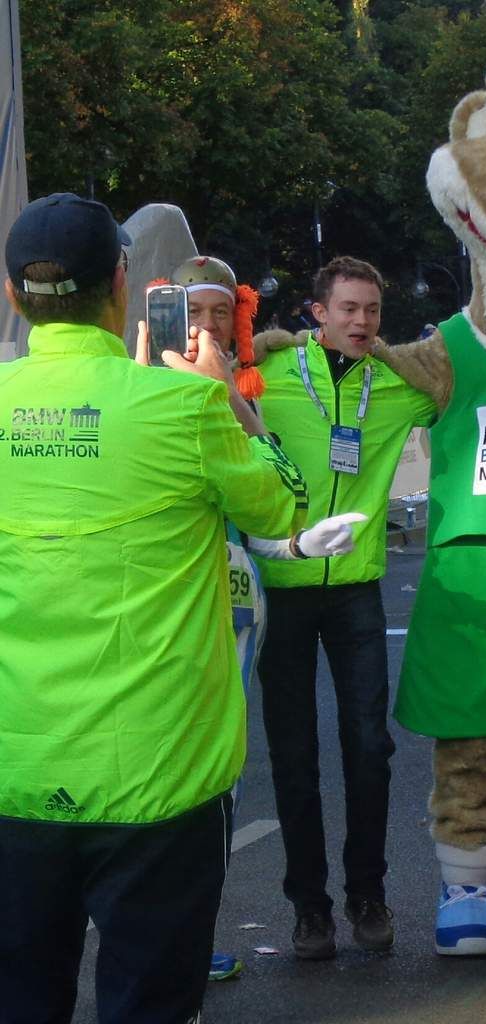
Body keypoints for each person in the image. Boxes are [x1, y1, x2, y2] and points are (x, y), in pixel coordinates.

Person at [0, 192, 307, 1022]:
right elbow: (285, 509)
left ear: (11, 294)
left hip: (16, 772)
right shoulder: (188, 408)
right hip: (159, 775)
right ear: (124, 286)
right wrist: (232, 401)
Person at [155, 254, 364, 982]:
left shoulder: (249, 389)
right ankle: (159, 939)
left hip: (229, 611)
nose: (207, 327)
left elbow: (271, 504)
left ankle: (192, 934)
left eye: (221, 314)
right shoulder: (141, 390)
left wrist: (295, 544)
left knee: (217, 779)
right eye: (193, 312)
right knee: (159, 778)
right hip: (153, 618)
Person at [253, 255, 437, 959]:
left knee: (370, 749)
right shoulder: (265, 378)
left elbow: (460, 390)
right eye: (349, 309)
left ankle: (369, 895)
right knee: (294, 759)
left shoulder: (395, 383)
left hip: (357, 589)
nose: (362, 322)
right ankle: (310, 909)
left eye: (372, 312)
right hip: (284, 592)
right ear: (318, 312)